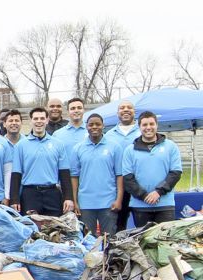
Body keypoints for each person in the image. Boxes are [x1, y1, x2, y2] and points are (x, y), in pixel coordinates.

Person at [123, 111, 182, 227]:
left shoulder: (171, 146)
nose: (148, 128)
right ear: (139, 127)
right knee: (144, 242)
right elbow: (128, 178)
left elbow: (175, 173)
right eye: (144, 125)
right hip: (140, 206)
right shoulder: (129, 150)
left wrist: (158, 192)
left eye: (151, 124)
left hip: (165, 205)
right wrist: (144, 196)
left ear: (157, 125)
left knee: (164, 242)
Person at [9, 110, 74, 216]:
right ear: (31, 121)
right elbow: (16, 175)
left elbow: (64, 174)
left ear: (47, 120)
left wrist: (68, 198)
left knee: (55, 230)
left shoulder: (58, 144)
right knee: (31, 229)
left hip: (52, 193)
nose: (39, 121)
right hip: (30, 194)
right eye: (35, 119)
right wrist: (14, 199)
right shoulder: (21, 146)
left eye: (42, 118)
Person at [71, 113, 123, 236]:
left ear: (103, 126)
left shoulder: (114, 147)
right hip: (86, 203)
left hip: (108, 202)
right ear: (86, 127)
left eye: (98, 124)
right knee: (87, 240)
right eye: (91, 124)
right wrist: (75, 201)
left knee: (108, 240)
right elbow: (74, 176)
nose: (94, 127)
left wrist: (119, 199)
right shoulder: (78, 148)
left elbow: (119, 175)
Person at [104, 100, 140, 230]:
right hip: (118, 188)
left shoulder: (143, 131)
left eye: (129, 107)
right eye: (122, 108)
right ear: (117, 113)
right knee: (119, 226)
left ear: (134, 112)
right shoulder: (108, 135)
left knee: (142, 226)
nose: (125, 110)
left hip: (139, 186)